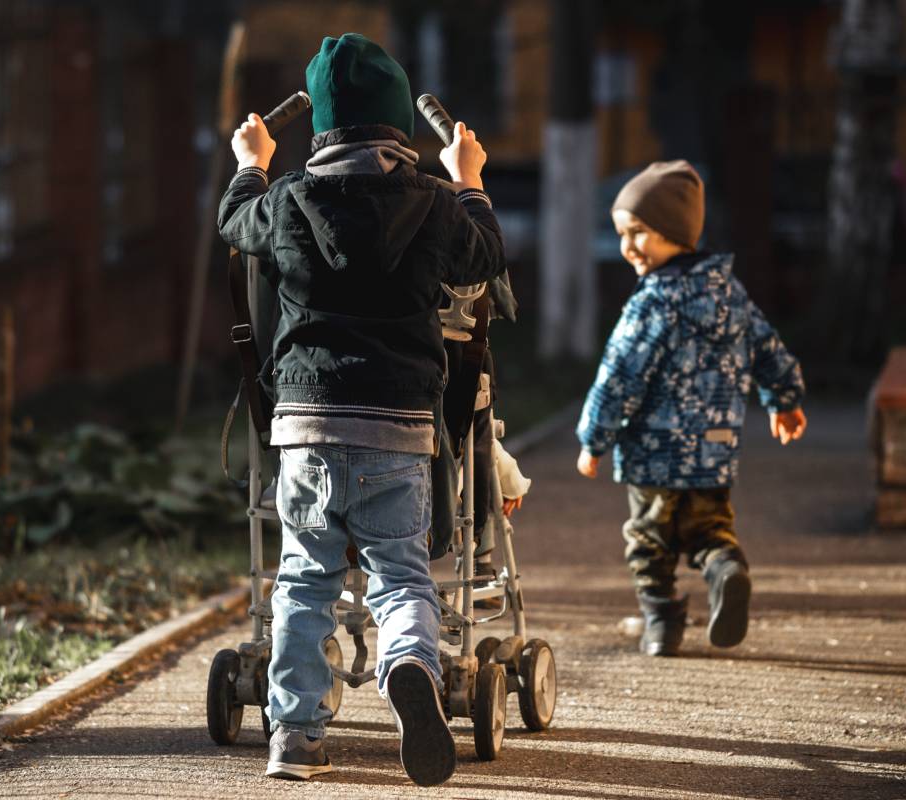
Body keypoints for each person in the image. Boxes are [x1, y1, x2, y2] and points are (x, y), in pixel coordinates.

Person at [218, 32, 505, 786]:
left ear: (321, 131)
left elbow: (233, 223)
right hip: (400, 431)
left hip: (308, 428)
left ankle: (297, 738)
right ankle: (410, 663)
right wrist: (468, 178)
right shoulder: (437, 207)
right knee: (402, 577)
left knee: (305, 581)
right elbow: (485, 258)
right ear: (399, 127)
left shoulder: (286, 201)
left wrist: (251, 163)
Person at [574, 160, 807, 657]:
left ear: (674, 232)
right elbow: (769, 349)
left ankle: (661, 622)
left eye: (639, 233)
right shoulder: (730, 294)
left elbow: (620, 375)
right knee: (710, 530)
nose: (627, 247)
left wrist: (594, 438)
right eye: (621, 234)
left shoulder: (652, 302)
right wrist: (784, 400)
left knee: (648, 540)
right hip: (713, 453)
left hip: (654, 457)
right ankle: (727, 571)